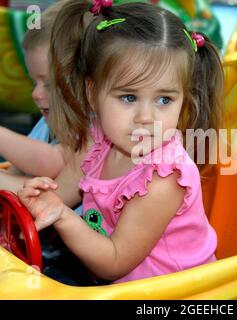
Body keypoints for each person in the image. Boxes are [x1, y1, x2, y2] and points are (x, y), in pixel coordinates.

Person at [18, 0, 223, 284]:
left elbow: (114, 262)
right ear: (92, 93)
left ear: (183, 100)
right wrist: (41, 199)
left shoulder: (163, 178)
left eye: (164, 99)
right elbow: (61, 191)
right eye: (129, 97)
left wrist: (62, 216)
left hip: (171, 294)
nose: (145, 117)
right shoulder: (99, 139)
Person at [0, 0, 68, 192]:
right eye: (34, 82)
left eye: (49, 84)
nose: (35, 94)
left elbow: (52, 163)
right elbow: (15, 174)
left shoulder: (92, 132)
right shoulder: (44, 125)